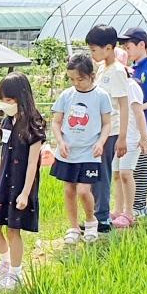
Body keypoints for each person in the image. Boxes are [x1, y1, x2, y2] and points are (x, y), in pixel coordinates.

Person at [0, 72, 45, 288]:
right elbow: (3, 156)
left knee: (13, 230)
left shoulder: (34, 123)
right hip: (3, 182)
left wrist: (25, 193)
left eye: (9, 100)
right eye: (3, 100)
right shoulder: (7, 122)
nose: (5, 104)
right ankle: (5, 263)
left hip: (20, 185)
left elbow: (33, 163)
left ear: (22, 97)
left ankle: (15, 273)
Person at [51, 52, 112, 244]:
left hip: (90, 151)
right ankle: (73, 226)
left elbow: (107, 124)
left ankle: (91, 221)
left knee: (84, 191)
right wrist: (60, 142)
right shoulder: (66, 95)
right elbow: (56, 122)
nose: (76, 83)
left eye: (81, 79)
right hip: (68, 152)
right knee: (69, 190)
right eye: (72, 79)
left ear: (91, 76)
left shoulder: (101, 96)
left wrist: (101, 142)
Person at [86, 24, 129, 233]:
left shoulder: (119, 72)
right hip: (99, 129)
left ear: (109, 48)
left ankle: (102, 217)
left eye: (94, 49)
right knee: (94, 173)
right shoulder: (103, 68)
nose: (92, 53)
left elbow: (123, 106)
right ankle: (94, 215)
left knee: (102, 173)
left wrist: (122, 138)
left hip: (111, 131)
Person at [118, 28, 147, 217]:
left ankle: (139, 206)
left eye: (128, 47)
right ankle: (126, 207)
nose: (126, 51)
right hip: (127, 128)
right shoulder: (129, 71)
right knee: (126, 169)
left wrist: (139, 108)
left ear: (141, 45)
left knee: (142, 168)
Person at [110, 65, 147, 229]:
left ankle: (129, 212)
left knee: (126, 173)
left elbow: (139, 113)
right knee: (117, 174)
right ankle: (118, 210)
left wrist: (144, 137)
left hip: (131, 137)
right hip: (118, 136)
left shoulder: (131, 87)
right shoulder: (113, 87)